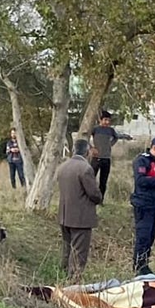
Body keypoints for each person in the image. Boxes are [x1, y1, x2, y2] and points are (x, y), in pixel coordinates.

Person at [57, 139, 102, 279]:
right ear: (87, 151)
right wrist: (99, 197)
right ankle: (73, 283)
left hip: (64, 215)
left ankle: (62, 277)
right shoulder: (85, 168)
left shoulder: (63, 166)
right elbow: (94, 194)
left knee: (67, 250)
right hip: (80, 217)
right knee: (78, 252)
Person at [131, 136, 155, 275]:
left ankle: (145, 263)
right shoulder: (142, 160)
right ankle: (139, 265)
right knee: (143, 235)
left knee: (151, 236)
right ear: (154, 148)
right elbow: (141, 180)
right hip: (143, 203)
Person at [90, 111, 119, 199]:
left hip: (106, 158)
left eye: (109, 121)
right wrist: (91, 148)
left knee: (103, 181)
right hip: (96, 158)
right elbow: (85, 137)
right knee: (91, 178)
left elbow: (116, 137)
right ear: (100, 120)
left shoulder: (111, 130)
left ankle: (101, 199)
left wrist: (110, 144)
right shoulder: (95, 129)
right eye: (105, 120)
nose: (107, 122)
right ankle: (89, 197)